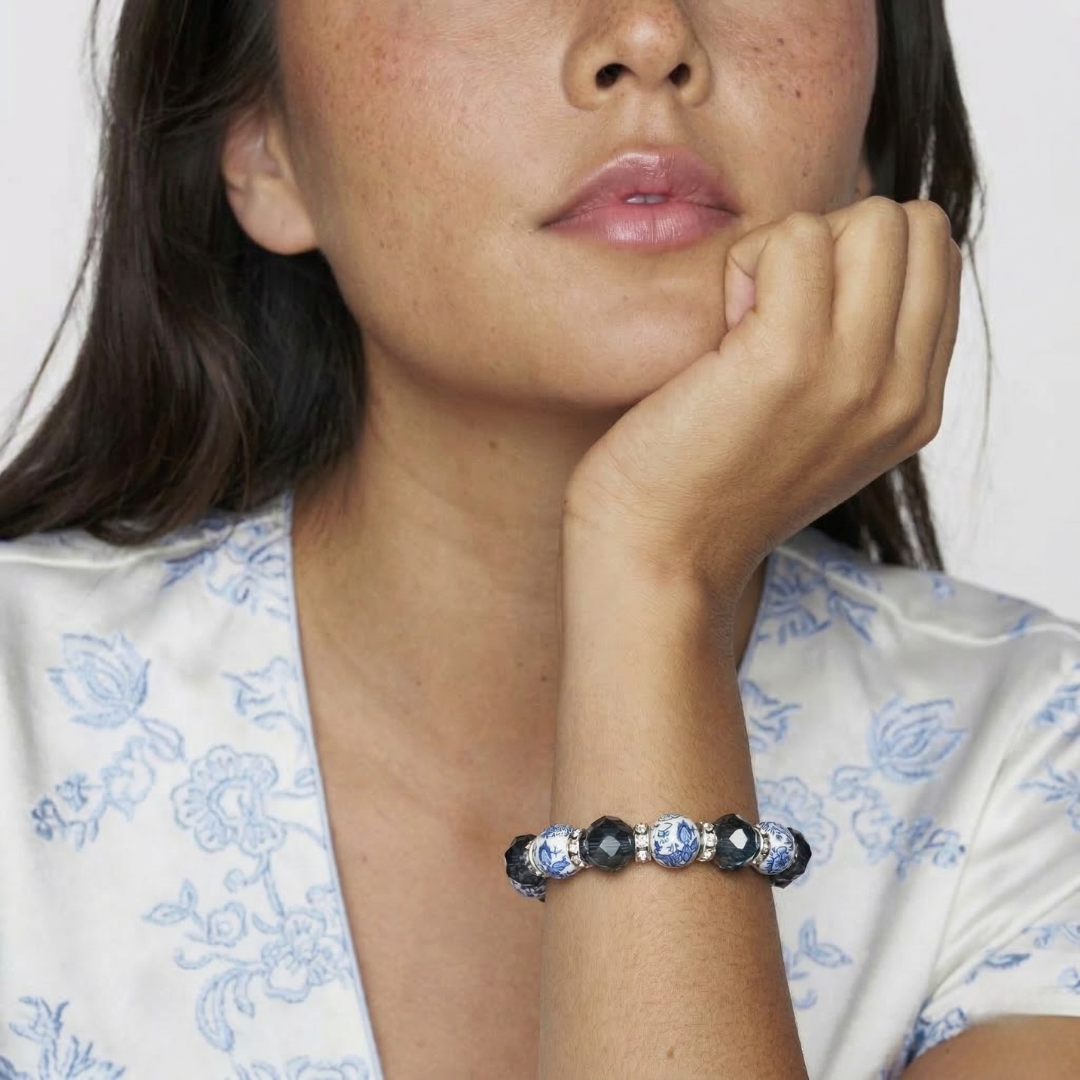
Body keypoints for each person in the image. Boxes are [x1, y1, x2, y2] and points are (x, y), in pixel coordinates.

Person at [0, 2, 1077, 1078]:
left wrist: (653, 577)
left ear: (868, 118)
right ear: (263, 148)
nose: (649, 36)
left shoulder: (1031, 767)